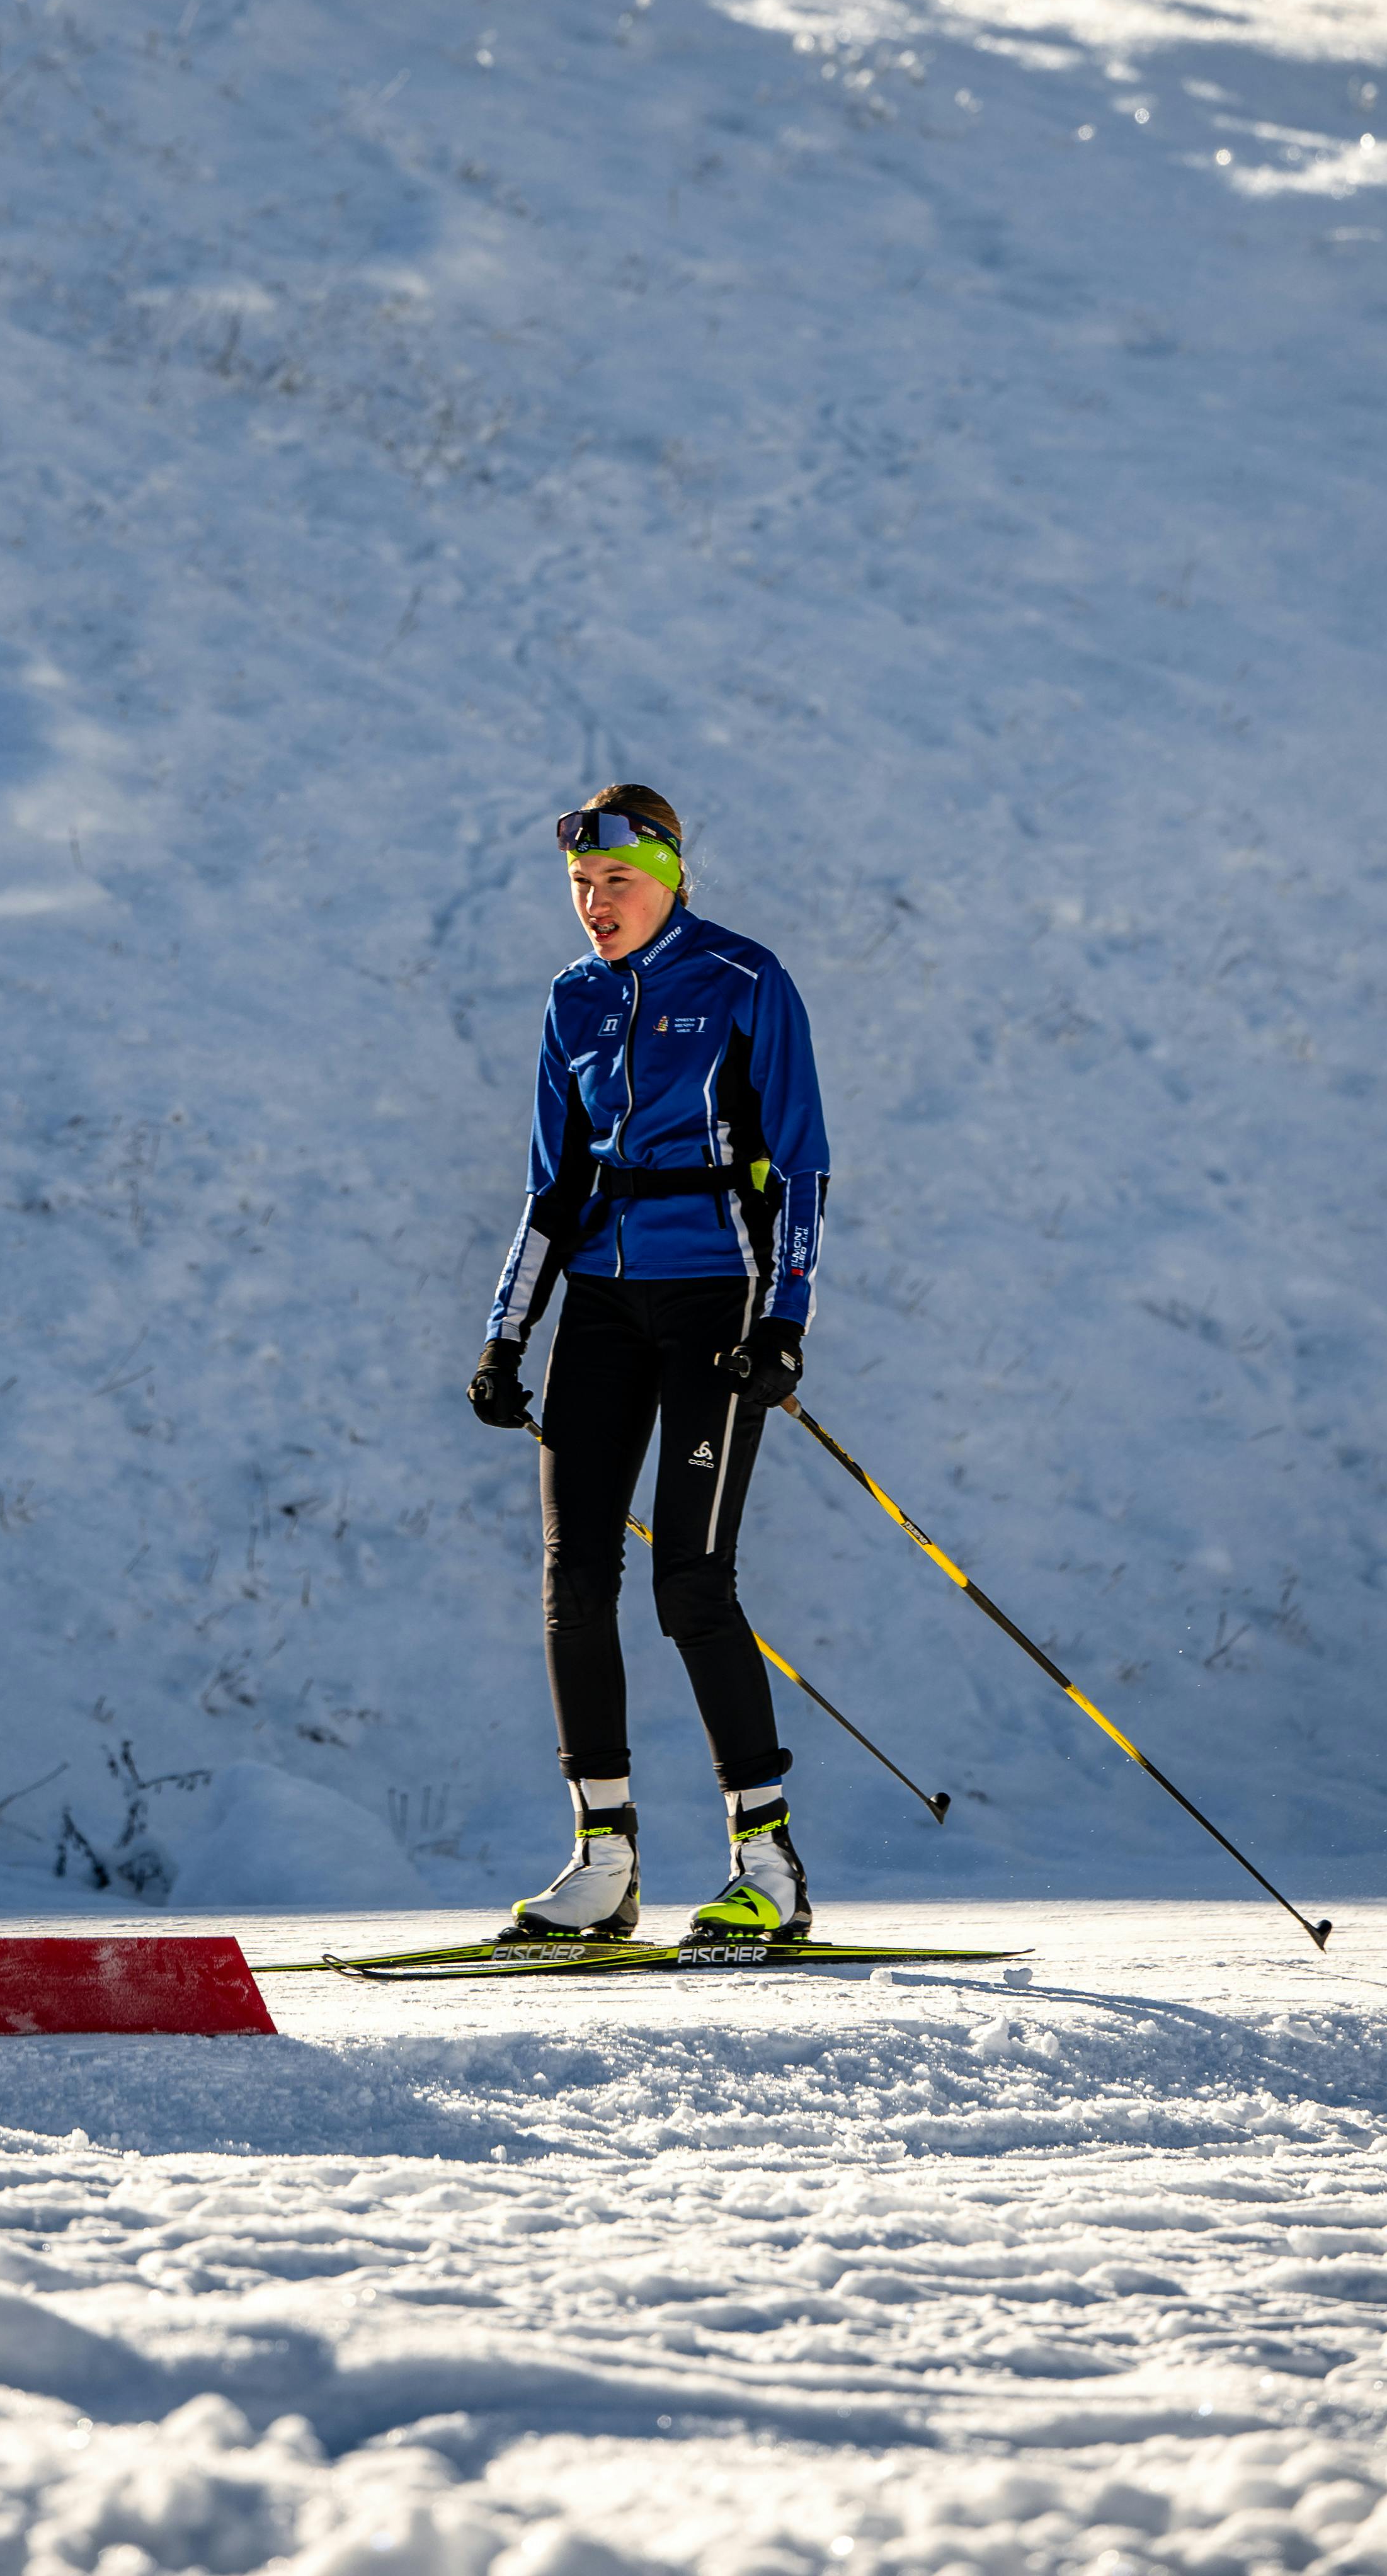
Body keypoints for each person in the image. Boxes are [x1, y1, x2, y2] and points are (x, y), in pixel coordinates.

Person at [466, 784, 830, 1944]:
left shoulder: (742, 982)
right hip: (604, 1307)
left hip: (715, 1302)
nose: (595, 906)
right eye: (579, 887)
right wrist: (506, 1331)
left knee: (690, 1579)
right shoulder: (570, 1001)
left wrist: (784, 1324)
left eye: (616, 883)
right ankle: (604, 1865)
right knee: (574, 1578)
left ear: (670, 876)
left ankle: (767, 1868)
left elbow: (803, 1166)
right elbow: (551, 1184)